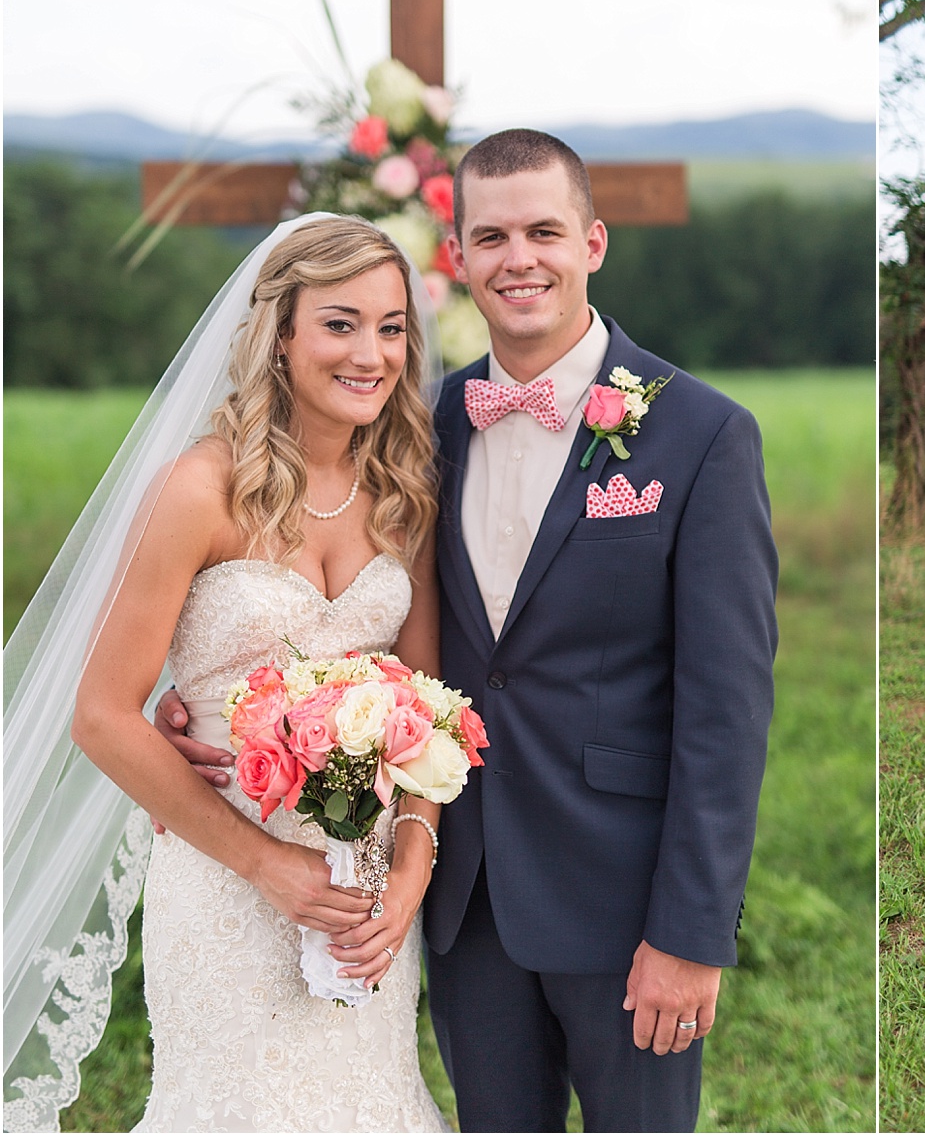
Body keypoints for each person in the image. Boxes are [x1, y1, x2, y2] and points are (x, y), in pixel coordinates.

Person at [161, 130, 778, 1131]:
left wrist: (692, 932)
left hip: (623, 905)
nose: (518, 259)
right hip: (458, 903)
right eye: (491, 237)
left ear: (594, 242)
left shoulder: (700, 435)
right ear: (459, 256)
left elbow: (728, 709)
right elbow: (323, 617)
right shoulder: (418, 429)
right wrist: (189, 707)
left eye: (544, 231)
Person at [6, 215, 447, 1130]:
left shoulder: (407, 497)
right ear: (278, 334)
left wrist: (408, 871)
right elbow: (101, 714)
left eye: (392, 326)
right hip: (221, 879)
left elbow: (432, 713)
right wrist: (264, 863)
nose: (372, 352)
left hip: (359, 890)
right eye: (340, 323)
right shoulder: (198, 489)